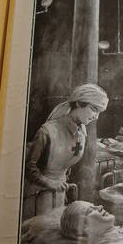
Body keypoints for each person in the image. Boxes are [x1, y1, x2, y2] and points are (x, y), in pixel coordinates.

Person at [23, 83, 108, 220]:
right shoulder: (48, 131)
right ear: (79, 103)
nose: (96, 117)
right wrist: (50, 182)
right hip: (38, 195)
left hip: (59, 193)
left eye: (99, 112)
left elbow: (66, 164)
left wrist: (63, 181)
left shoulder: (82, 132)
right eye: (94, 109)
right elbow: (28, 167)